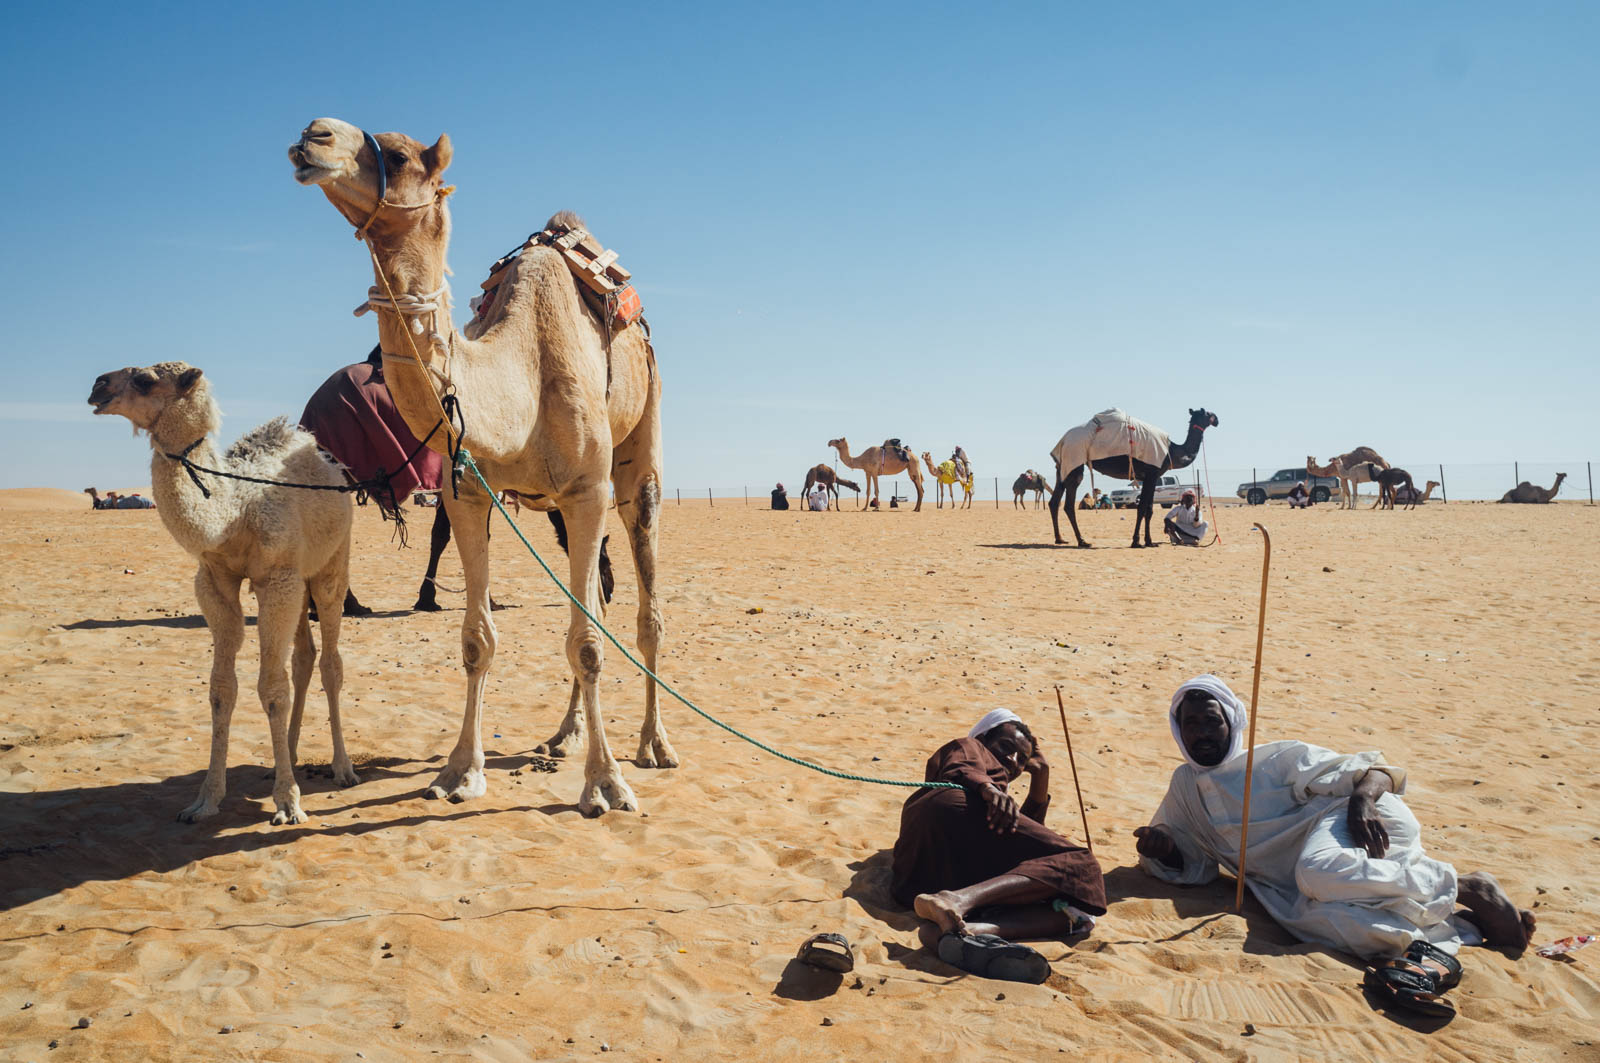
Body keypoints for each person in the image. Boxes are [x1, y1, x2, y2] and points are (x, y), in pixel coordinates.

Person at [1136, 676, 1536, 1013]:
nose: (1202, 733)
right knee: (1323, 922)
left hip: (1356, 822)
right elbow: (1195, 862)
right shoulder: (1185, 787)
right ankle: (1451, 932)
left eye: (1211, 722)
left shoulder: (1275, 758)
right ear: (1178, 728)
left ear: (1233, 721)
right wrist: (1164, 849)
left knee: (1318, 873)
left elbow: (1374, 771)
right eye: (1191, 724)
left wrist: (1362, 800)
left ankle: (1468, 887)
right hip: (1303, 881)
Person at [893, 709, 1106, 982]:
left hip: (912, 884)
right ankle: (955, 900)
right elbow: (961, 764)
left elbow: (1023, 846)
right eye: (1006, 746)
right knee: (1082, 865)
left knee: (1072, 912)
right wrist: (989, 788)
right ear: (983, 738)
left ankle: (962, 932)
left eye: (1023, 760)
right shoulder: (970, 746)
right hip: (954, 808)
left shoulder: (994, 806)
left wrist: (1040, 777)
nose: (1014, 761)